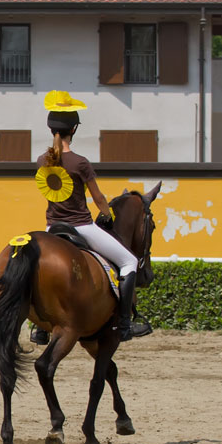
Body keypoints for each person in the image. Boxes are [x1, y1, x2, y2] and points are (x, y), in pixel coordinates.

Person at [32, 90, 151, 343]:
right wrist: (107, 214)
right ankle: (126, 324)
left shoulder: (43, 160)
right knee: (129, 262)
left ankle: (41, 328)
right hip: (82, 226)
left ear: (51, 128)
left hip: (52, 226)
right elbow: (97, 197)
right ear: (73, 130)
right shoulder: (80, 162)